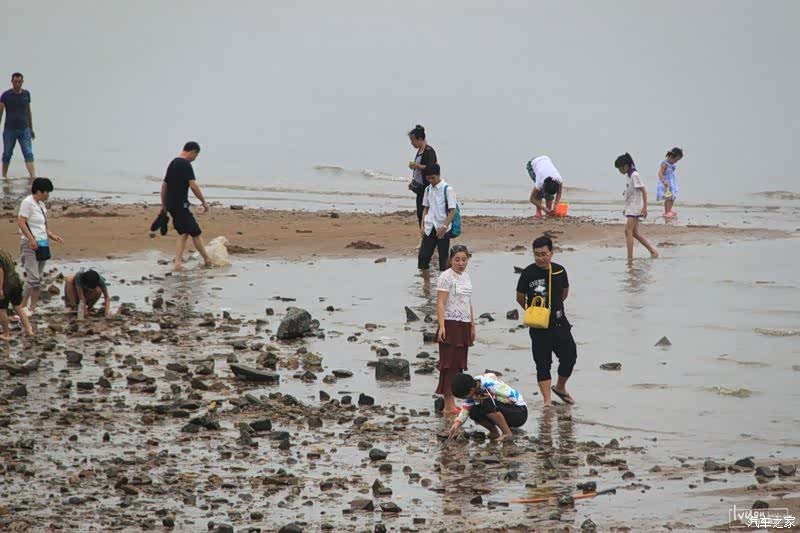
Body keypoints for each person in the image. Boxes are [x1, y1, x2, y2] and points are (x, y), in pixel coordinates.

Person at [515, 236, 577, 407]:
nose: (540, 258)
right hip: (539, 326)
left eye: (544, 254)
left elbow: (564, 293)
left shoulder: (559, 271)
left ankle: (561, 387)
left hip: (559, 323)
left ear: (552, 253)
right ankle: (547, 401)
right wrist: (533, 311)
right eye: (536, 255)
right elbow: (520, 297)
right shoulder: (528, 273)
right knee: (542, 363)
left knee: (570, 356)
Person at [436, 244, 475, 416]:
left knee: (458, 365)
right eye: (457, 259)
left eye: (464, 259)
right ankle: (448, 404)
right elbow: (441, 302)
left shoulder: (466, 277)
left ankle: (452, 402)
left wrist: (472, 325)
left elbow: (468, 302)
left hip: (464, 323)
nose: (460, 263)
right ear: (450, 259)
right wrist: (442, 325)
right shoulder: (446, 277)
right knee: (448, 365)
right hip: (450, 324)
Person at [160, 141, 211, 270]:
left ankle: (178, 262)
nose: (195, 159)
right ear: (193, 152)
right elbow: (193, 186)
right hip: (180, 206)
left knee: (184, 233)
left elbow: (164, 185)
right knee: (195, 232)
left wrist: (164, 204)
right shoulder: (185, 164)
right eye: (196, 156)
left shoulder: (173, 163)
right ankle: (207, 260)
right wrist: (203, 201)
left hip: (172, 204)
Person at [17, 177, 62, 313]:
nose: (48, 195)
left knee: (36, 278)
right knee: (34, 278)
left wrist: (52, 236)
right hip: (30, 244)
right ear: (39, 191)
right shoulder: (27, 203)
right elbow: (21, 222)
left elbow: (42, 226)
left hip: (42, 244)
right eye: (46, 192)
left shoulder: (41, 205)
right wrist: (31, 239)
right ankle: (23, 307)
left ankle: (32, 307)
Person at [448, 372, 528, 442]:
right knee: (473, 411)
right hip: (503, 411)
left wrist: (488, 397)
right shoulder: (474, 390)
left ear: (471, 389)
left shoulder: (490, 385)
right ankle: (494, 432)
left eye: (465, 396)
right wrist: (457, 423)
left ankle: (507, 433)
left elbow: (512, 398)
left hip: (519, 412)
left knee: (486, 403)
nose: (466, 399)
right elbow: (466, 408)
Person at [615, 153, 658, 261]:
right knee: (634, 233)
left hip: (635, 207)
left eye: (620, 168)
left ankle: (630, 258)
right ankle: (653, 251)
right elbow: (630, 193)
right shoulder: (629, 176)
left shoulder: (635, 175)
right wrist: (626, 208)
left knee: (627, 231)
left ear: (625, 166)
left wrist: (645, 208)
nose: (619, 171)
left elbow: (643, 191)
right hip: (631, 207)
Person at [418, 164, 457, 272]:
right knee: (423, 257)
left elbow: (453, 211)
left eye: (433, 178)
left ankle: (443, 284)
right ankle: (426, 284)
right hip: (430, 226)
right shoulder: (427, 189)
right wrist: (422, 225)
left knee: (443, 259)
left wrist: (444, 227)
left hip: (443, 228)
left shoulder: (447, 189)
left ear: (438, 175)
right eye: (428, 178)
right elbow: (426, 208)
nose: (431, 180)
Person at [0, 73, 36, 179]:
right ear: (12, 81)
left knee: (28, 153)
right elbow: (0, 113)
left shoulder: (26, 94)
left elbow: (28, 111)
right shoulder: (5, 95)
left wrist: (31, 128)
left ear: (22, 82)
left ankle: (33, 177)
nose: (17, 84)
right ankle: (4, 177)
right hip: (9, 130)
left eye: (19, 81)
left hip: (24, 129)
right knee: (7, 154)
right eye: (15, 81)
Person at [407, 125, 437, 226]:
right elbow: (419, 171)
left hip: (428, 189)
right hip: (420, 189)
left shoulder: (429, 151)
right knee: (420, 214)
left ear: (419, 139)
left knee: (426, 214)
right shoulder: (419, 151)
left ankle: (427, 238)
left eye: (413, 140)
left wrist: (417, 165)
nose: (412, 143)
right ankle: (423, 238)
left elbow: (432, 169)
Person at [0, 249, 33, 339]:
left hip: (6, 285)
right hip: (15, 281)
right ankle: (29, 330)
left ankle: (6, 334)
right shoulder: (4, 253)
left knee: (2, 310)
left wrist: (0, 289)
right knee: (18, 307)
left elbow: (0, 272)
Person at [657, 147, 684, 218]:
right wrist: (664, 181)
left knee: (673, 197)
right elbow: (660, 173)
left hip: (671, 183)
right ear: (671, 157)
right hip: (666, 184)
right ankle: (666, 212)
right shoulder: (664, 164)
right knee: (668, 198)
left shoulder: (671, 164)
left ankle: (669, 210)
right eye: (676, 160)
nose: (676, 162)